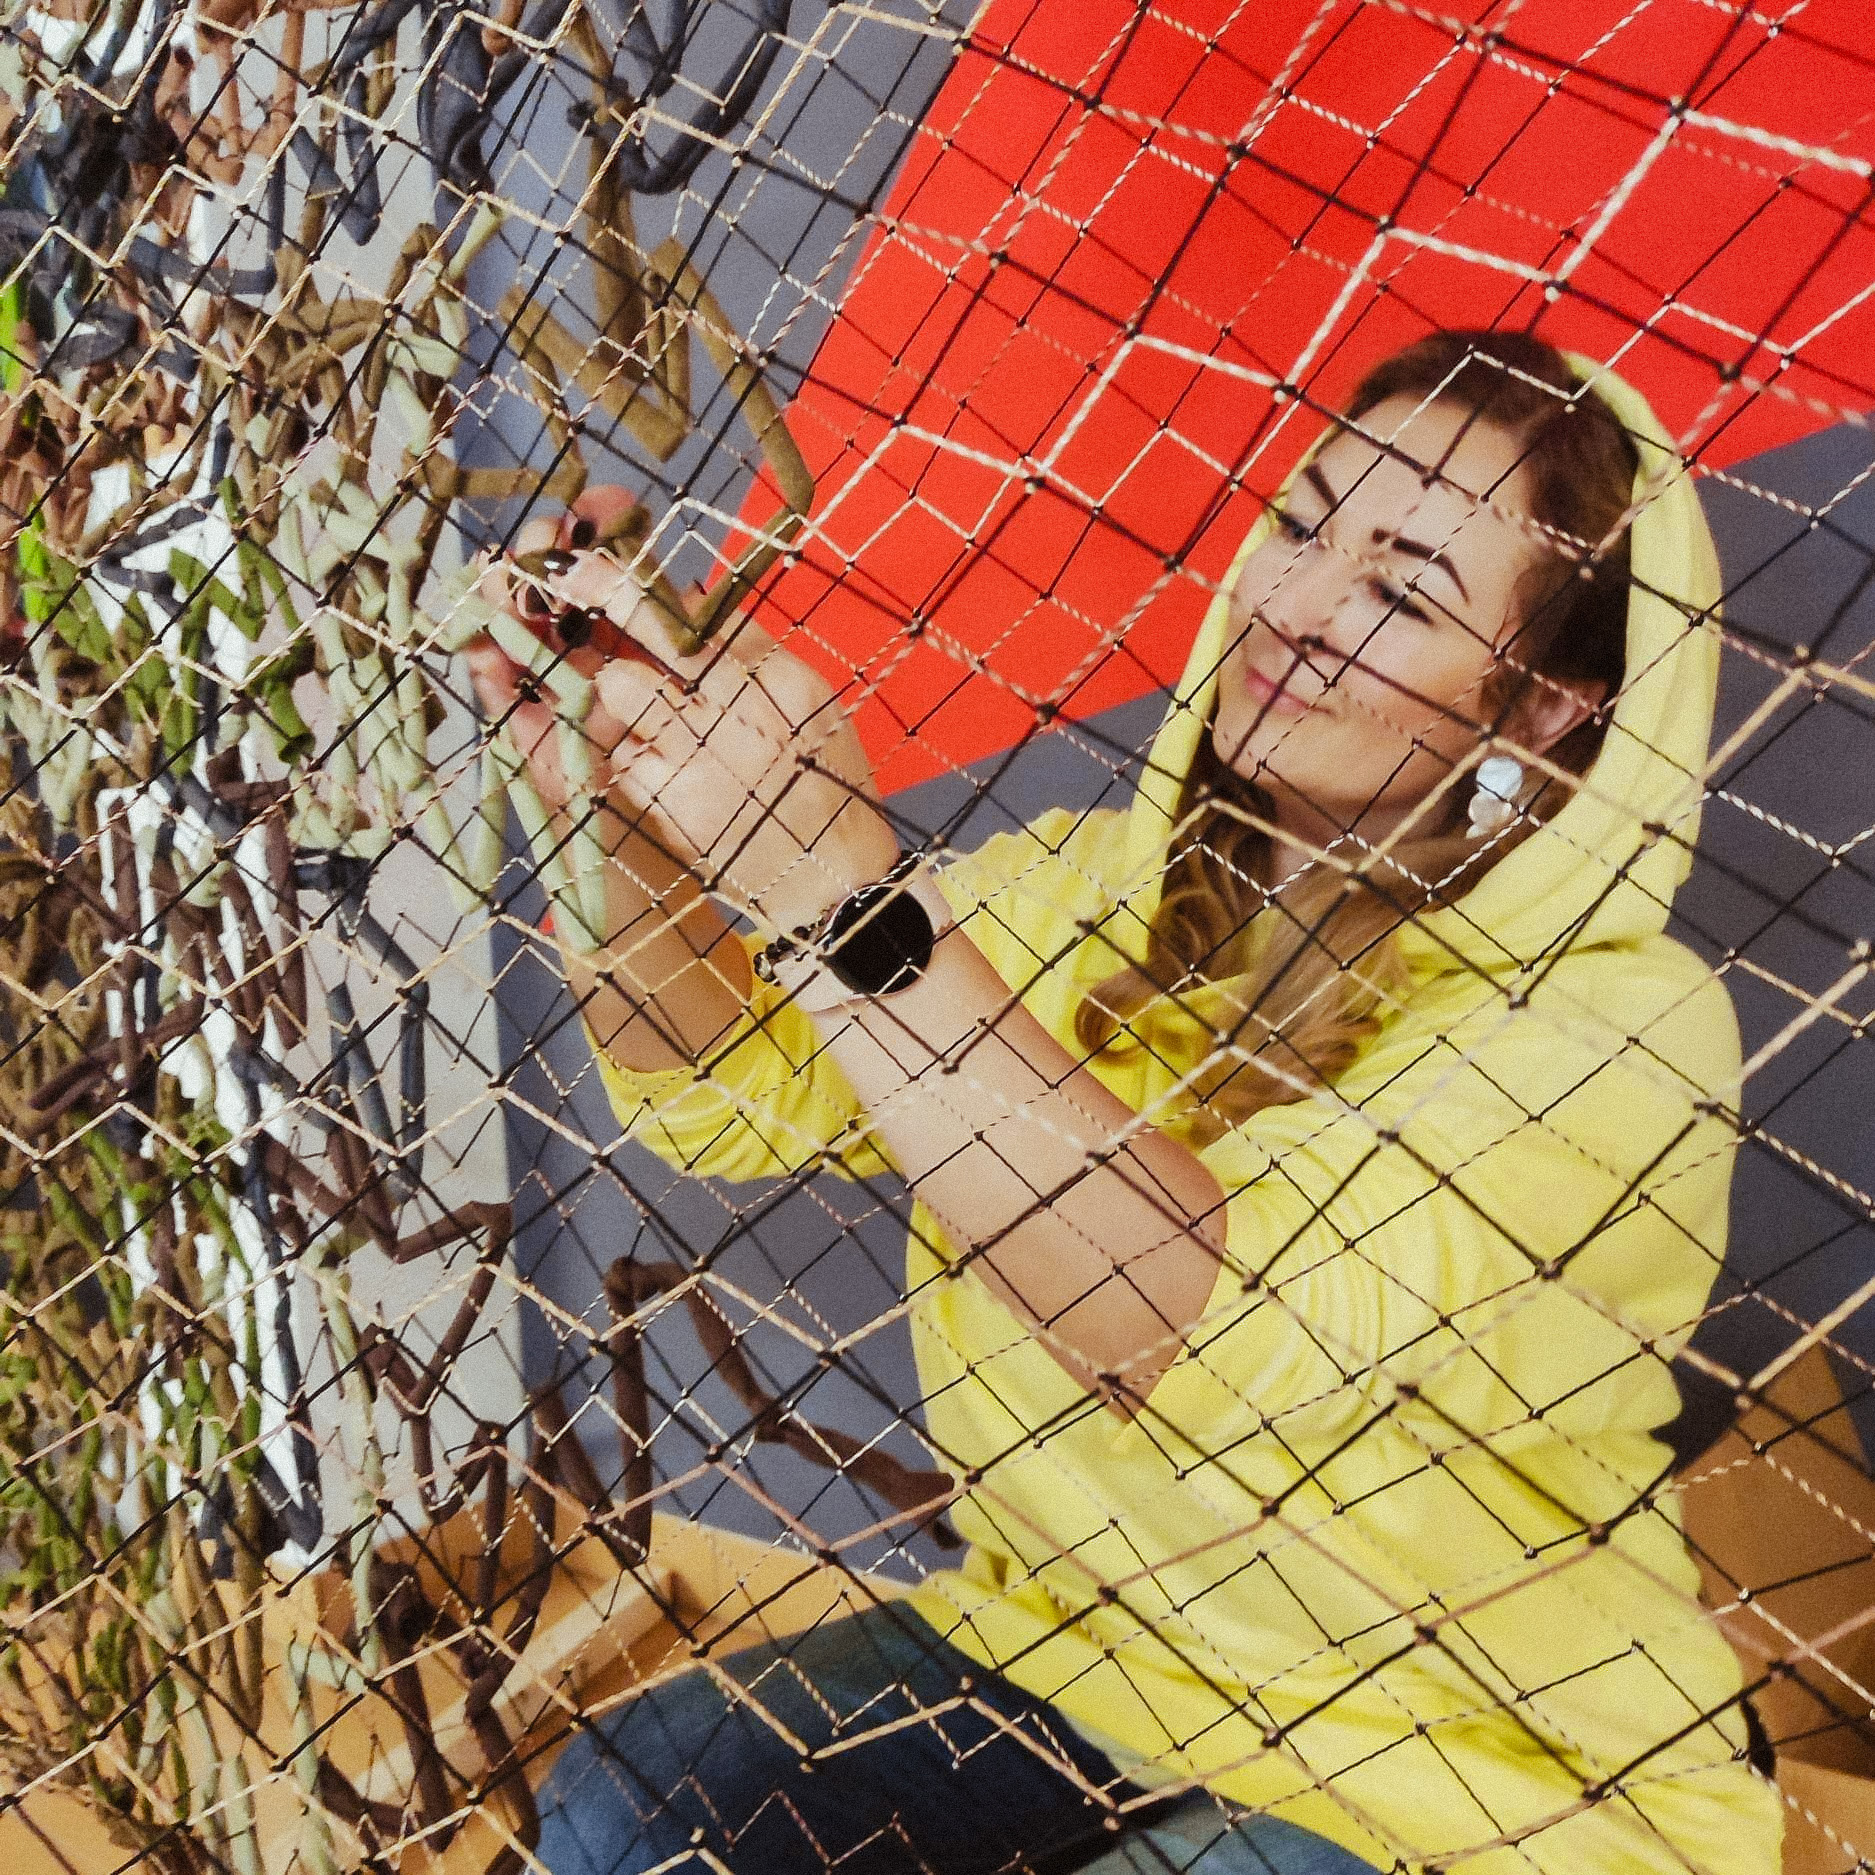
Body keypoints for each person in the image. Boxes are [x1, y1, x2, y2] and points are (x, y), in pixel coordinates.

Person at [466, 332, 1783, 1874]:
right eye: (1303, 528)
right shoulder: (1096, 890)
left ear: (1548, 711)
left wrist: (842, 897)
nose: (1295, 611)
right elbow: (720, 1090)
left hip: (1472, 1782)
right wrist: (609, 792)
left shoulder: (1620, 1034)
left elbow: (1215, 1333)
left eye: (1404, 591)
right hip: (1088, 1659)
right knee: (633, 1805)